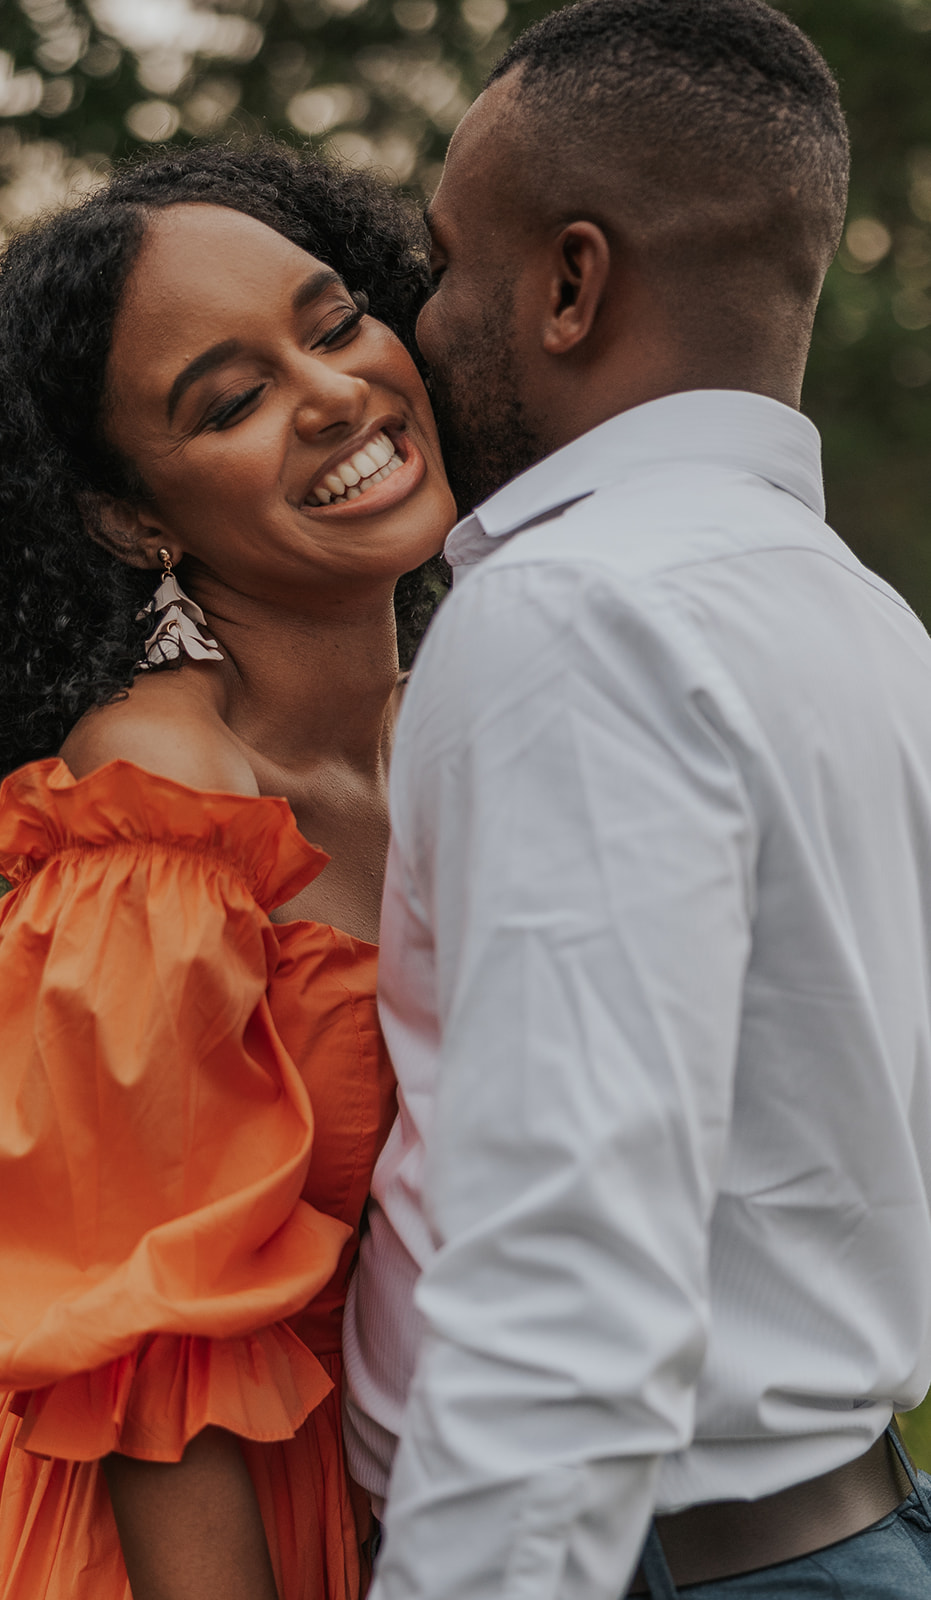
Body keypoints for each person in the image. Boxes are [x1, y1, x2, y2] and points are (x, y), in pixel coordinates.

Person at [343, 3, 931, 1597]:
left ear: (571, 283)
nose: (422, 314)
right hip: (838, 1520)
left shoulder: (575, 611)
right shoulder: (868, 622)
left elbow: (566, 1280)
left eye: (452, 261)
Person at [0, 141, 455, 1600]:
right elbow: (155, 1352)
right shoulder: (162, 810)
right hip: (195, 1550)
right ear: (135, 519)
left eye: (334, 324)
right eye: (233, 401)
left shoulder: (439, 737)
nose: (332, 394)